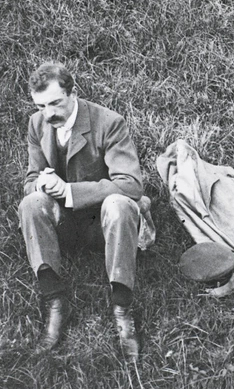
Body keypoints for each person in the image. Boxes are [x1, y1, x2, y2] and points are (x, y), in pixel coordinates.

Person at [19, 62, 144, 361]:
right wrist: (41, 186)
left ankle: (122, 308)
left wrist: (70, 192)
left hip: (103, 227)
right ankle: (55, 303)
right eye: (40, 106)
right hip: (64, 227)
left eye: (55, 103)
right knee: (30, 204)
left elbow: (131, 184)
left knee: (119, 203)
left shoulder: (109, 122)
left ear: (73, 93)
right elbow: (29, 179)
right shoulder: (37, 124)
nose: (49, 114)